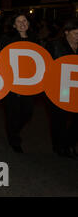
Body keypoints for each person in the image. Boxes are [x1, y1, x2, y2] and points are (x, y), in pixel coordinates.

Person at [0, 12, 38, 153]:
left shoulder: (35, 40)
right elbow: (1, 60)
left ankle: (14, 130)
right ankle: (14, 139)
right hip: (12, 82)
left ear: (28, 23)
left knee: (28, 112)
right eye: (18, 21)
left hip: (29, 83)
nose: (22, 23)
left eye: (25, 20)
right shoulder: (7, 39)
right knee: (13, 112)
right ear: (14, 25)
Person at [46, 18, 78, 158]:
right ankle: (59, 146)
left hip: (75, 88)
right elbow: (46, 67)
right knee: (59, 119)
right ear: (66, 32)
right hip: (59, 89)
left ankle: (70, 143)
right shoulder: (54, 45)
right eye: (76, 33)